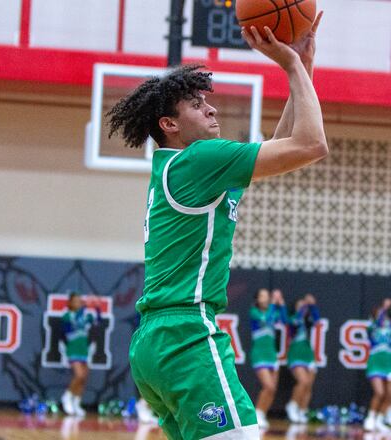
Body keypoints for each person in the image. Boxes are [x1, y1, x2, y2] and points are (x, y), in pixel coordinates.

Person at [112, 11, 328, 438]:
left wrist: (302, 68)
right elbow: (311, 143)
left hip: (156, 342)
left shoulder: (182, 168)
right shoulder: (199, 160)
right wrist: (289, 65)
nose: (210, 106)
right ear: (169, 125)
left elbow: (280, 148)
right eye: (196, 104)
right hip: (187, 334)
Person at [249, 288, 288, 429]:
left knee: (272, 389)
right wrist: (273, 303)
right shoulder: (254, 312)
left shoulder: (273, 311)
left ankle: (262, 414)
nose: (265, 299)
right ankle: (257, 413)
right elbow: (267, 320)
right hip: (260, 355)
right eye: (263, 296)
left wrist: (281, 304)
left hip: (272, 354)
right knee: (268, 386)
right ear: (257, 299)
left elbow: (284, 320)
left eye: (267, 296)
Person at [60, 292, 101, 417]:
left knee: (84, 378)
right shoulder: (67, 316)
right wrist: (84, 307)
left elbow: (98, 320)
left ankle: (76, 403)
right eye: (76, 301)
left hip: (84, 349)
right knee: (79, 375)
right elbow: (68, 329)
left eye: (80, 300)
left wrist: (97, 307)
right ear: (70, 303)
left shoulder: (85, 316)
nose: (78, 302)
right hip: (73, 348)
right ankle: (67, 396)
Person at [285, 293, 320, 424]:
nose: (303, 308)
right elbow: (297, 319)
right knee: (303, 381)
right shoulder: (292, 319)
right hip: (295, 353)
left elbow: (317, 320)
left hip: (307, 354)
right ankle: (292, 405)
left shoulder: (307, 321)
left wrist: (312, 306)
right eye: (300, 306)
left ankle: (302, 410)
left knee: (309, 385)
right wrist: (305, 306)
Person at [364, 299, 391, 432]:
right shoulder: (371, 325)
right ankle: (370, 418)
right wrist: (384, 308)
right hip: (376, 362)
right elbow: (377, 323)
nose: (381, 315)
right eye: (378, 313)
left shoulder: (390, 326)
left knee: (390, 393)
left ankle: (380, 419)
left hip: (388, 362)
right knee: (379, 392)